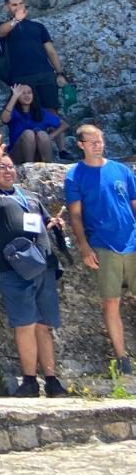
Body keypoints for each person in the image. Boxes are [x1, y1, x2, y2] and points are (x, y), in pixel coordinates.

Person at [0, 134, 67, 396]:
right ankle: (29, 380)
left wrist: (54, 225)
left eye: (11, 166)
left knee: (43, 325)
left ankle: (51, 378)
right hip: (12, 270)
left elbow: (40, 224)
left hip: (42, 266)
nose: (8, 170)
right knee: (24, 323)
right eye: (2, 167)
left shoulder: (30, 197)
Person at [65, 123, 136, 373]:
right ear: (81, 145)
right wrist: (84, 246)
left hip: (133, 240)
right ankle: (123, 358)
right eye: (92, 141)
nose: (98, 145)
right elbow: (75, 215)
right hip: (103, 244)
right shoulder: (75, 175)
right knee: (111, 301)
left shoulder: (121, 170)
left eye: (101, 140)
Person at [0, 0, 68, 110]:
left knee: (52, 109)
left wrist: (60, 73)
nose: (18, 7)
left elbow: (51, 51)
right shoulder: (2, 26)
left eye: (20, 4)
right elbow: (1, 32)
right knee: (27, 112)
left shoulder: (38, 26)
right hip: (21, 77)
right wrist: (16, 20)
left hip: (45, 73)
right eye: (14, 5)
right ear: (6, 7)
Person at [0, 83, 67, 162]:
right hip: (18, 153)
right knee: (28, 133)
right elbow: (4, 119)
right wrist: (14, 97)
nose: (27, 95)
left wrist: (51, 136)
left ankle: (47, 165)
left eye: (29, 93)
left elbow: (64, 124)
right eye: (22, 93)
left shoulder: (41, 113)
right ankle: (29, 166)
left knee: (42, 134)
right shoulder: (14, 112)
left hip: (39, 153)